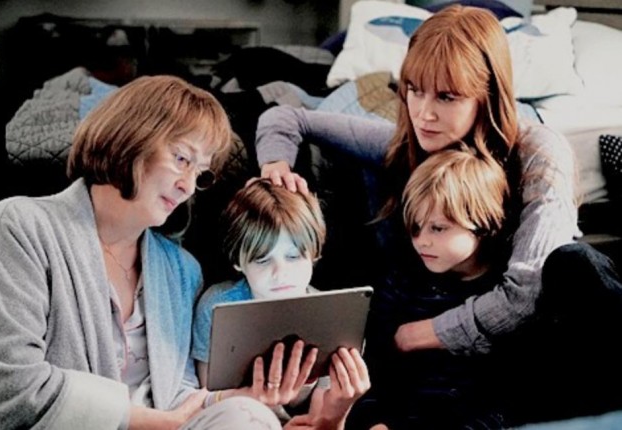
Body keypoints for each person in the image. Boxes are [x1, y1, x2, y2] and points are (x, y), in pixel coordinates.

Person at [254, 3, 622, 426]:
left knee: (574, 264)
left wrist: (417, 334)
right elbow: (289, 117)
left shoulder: (538, 150)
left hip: (534, 344)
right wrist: (276, 166)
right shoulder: (408, 144)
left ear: (486, 96)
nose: (424, 113)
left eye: (446, 97)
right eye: (414, 90)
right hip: (436, 343)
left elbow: (524, 296)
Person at [0, 75, 283, 430]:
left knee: (249, 415)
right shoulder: (20, 226)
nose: (188, 186)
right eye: (182, 159)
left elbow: (178, 394)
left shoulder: (182, 270)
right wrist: (152, 423)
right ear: (132, 137)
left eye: (201, 174)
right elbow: (9, 389)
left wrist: (238, 399)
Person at [191, 178, 370, 429]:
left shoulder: (332, 315)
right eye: (263, 260)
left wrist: (333, 413)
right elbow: (208, 397)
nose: (280, 273)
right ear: (238, 261)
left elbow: (320, 420)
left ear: (313, 254)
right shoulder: (217, 306)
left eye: (293, 257)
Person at [353, 147, 512, 429]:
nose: (422, 241)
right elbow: (374, 368)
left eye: (438, 228)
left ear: (484, 223)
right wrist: (375, 421)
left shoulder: (501, 295)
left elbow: (506, 397)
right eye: (416, 227)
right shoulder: (400, 283)